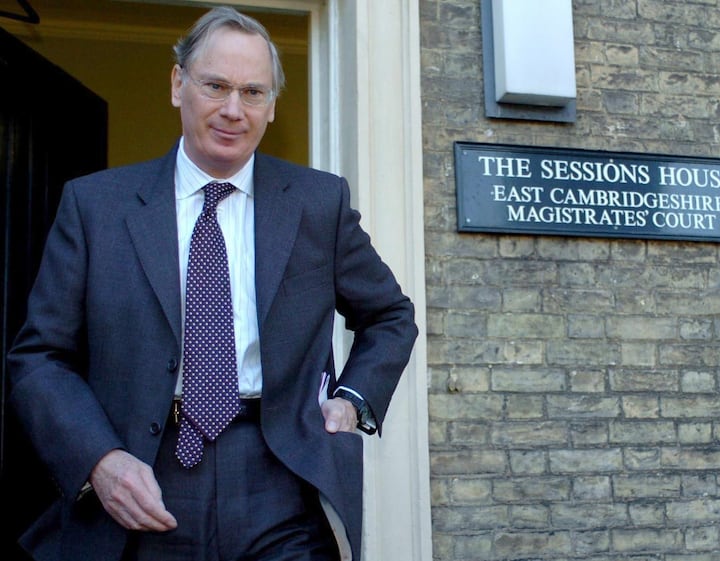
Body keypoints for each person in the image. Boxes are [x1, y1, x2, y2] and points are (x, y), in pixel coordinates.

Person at [5, 6, 417, 561]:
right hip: (143, 480)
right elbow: (39, 358)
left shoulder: (319, 203)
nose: (232, 110)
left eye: (253, 93)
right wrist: (98, 460)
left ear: (272, 106)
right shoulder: (95, 206)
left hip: (282, 479)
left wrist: (351, 400)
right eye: (215, 85)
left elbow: (390, 316)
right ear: (178, 84)